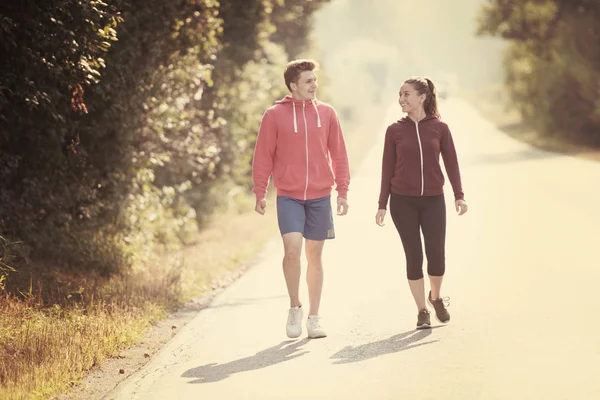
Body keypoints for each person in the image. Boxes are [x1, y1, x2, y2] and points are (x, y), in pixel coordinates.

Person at [252, 59, 350, 339]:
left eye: (315, 80)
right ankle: (295, 306)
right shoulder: (274, 115)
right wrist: (260, 191)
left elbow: (339, 153)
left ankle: (314, 317)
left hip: (320, 195)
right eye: (308, 81)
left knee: (315, 255)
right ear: (293, 85)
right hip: (289, 196)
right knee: (292, 250)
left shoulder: (328, 113)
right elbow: (263, 155)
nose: (314, 85)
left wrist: (342, 190)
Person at [375, 76, 468, 329]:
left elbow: (452, 163)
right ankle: (421, 311)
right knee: (413, 255)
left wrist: (459, 195)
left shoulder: (440, 128)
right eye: (400, 94)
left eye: (407, 94)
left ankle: (435, 297)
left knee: (436, 255)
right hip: (402, 201)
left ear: (422, 97)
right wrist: (382, 203)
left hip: (433, 201)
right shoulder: (394, 130)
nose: (401, 99)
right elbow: (387, 168)